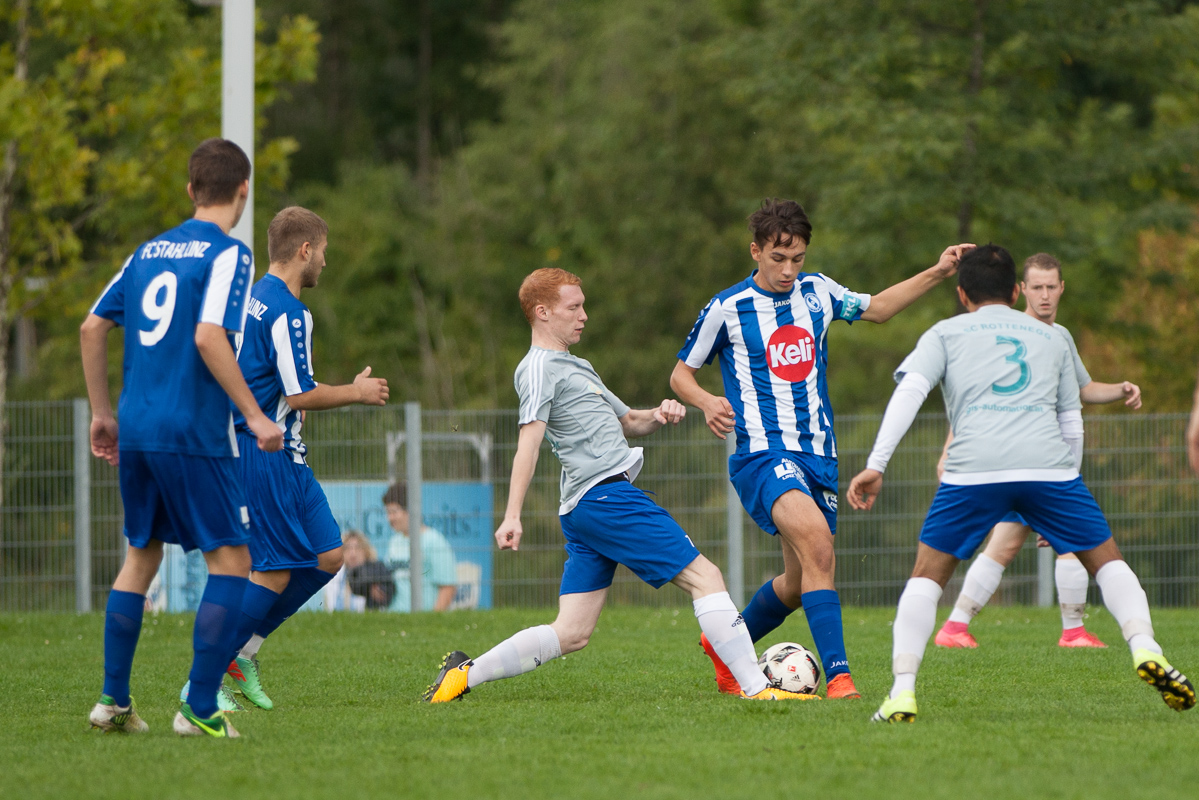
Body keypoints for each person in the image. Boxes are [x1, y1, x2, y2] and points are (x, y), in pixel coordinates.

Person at [423, 268, 815, 703]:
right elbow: (528, 444)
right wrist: (512, 514)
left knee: (571, 632)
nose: (584, 315)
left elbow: (627, 421)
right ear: (542, 312)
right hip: (605, 497)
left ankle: (463, 674)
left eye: (583, 306)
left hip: (587, 505)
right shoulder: (536, 368)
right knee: (706, 576)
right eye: (574, 307)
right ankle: (759, 689)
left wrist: (660, 414)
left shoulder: (576, 365)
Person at [846, 244, 1195, 723]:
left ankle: (902, 692)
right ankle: (1145, 647)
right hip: (1047, 469)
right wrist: (1067, 482)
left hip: (973, 470)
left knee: (926, 578)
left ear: (962, 294)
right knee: (1108, 562)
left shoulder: (944, 332)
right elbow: (1071, 422)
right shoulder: (1051, 337)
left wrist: (877, 464)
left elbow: (910, 391)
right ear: (1016, 291)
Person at [670, 197, 973, 699]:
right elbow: (681, 374)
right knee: (819, 547)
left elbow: (878, 309)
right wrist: (706, 401)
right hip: (764, 455)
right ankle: (840, 678)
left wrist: (939, 271)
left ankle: (723, 642)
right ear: (755, 251)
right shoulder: (728, 307)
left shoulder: (818, 292)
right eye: (777, 258)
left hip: (819, 456)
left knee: (799, 580)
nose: (789, 270)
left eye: (798, 259)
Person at [82, 138, 283, 738]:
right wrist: (255, 416)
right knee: (233, 560)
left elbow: (92, 327)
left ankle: (112, 702)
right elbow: (207, 336)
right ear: (243, 191)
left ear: (191, 189)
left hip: (138, 428)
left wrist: (102, 414)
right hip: (193, 430)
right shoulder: (230, 253)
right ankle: (198, 707)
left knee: (141, 556)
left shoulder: (146, 252)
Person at [217, 206, 389, 711]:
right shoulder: (290, 312)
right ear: (305, 250)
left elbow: (269, 380)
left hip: (287, 453)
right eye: (324, 253)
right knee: (274, 571)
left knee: (329, 557)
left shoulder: (250, 298)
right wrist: (357, 392)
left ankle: (242, 652)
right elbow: (299, 394)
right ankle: (203, 680)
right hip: (265, 454)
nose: (325, 264)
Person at [933, 253, 1142, 650]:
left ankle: (956, 626)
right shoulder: (1007, 332)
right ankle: (1073, 631)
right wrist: (949, 449)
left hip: (1049, 457)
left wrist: (1121, 388)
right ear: (1021, 290)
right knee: (1066, 542)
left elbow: (1083, 388)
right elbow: (975, 396)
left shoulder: (1060, 336)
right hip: (1025, 458)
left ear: (1062, 288)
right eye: (1037, 287)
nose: (1045, 295)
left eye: (1051, 287)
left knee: (1007, 543)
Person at [382, 482, 457, 612]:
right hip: (394, 618)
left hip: (422, 617)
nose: (390, 518)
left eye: (394, 512)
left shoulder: (434, 541)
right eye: (387, 513)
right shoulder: (394, 541)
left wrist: (432, 620)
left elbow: (447, 587)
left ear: (409, 510)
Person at [324, 531, 378, 612]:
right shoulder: (333, 577)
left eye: (358, 548)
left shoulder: (376, 575)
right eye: (348, 549)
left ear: (365, 551)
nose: (353, 554)